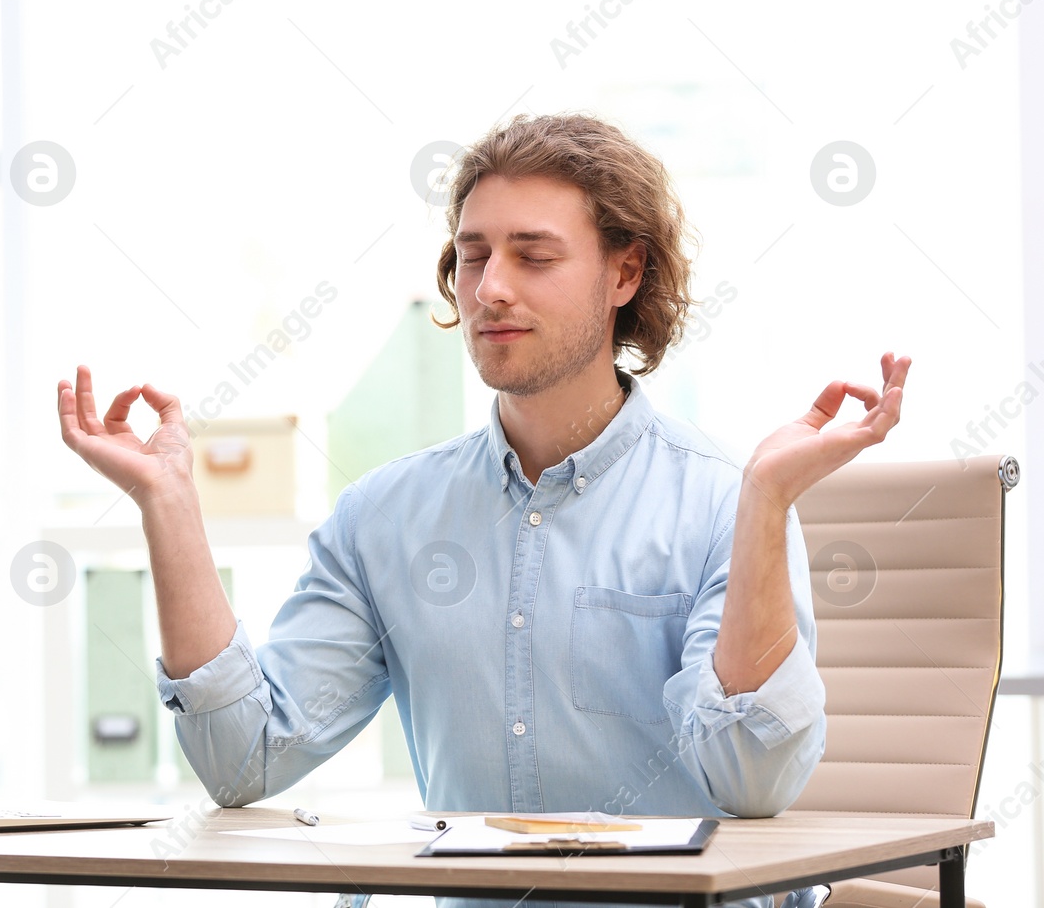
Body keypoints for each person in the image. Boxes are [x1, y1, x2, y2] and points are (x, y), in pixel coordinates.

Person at [58, 113, 910, 908]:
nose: (490, 288)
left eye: (533, 256)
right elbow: (246, 755)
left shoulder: (724, 498)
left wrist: (764, 505)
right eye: (473, 256)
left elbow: (749, 780)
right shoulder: (384, 515)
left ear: (625, 271)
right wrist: (167, 506)